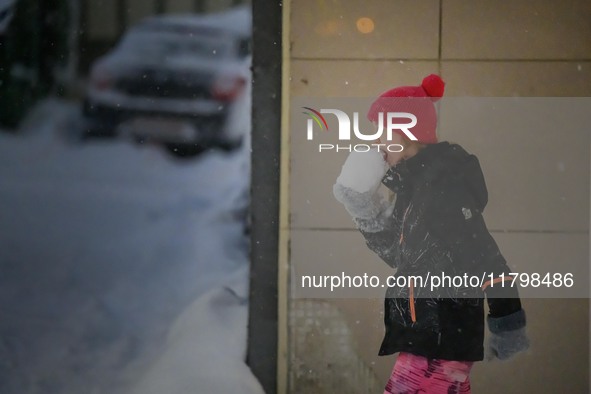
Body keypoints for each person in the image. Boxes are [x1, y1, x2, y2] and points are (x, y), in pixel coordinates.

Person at [333, 74, 529, 394]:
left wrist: (508, 320)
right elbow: (401, 258)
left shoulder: (442, 188)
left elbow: (484, 255)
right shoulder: (413, 189)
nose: (377, 143)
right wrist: (364, 211)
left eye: (381, 132)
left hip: (441, 334)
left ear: (404, 131)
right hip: (427, 334)